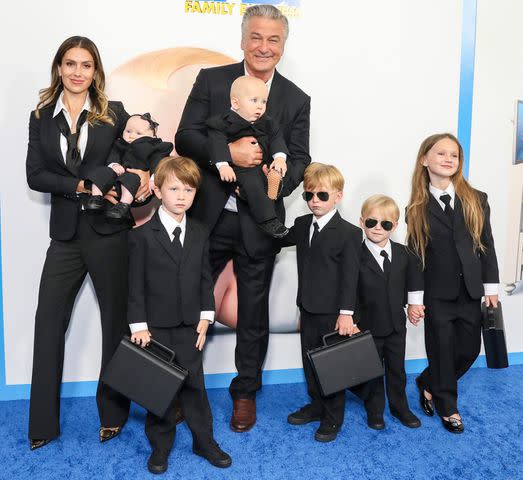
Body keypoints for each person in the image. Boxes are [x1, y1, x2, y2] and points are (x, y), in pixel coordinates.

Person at [175, 4, 310, 432]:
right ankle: (177, 389)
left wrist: (272, 188)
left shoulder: (296, 98)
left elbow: (301, 160)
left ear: (284, 45)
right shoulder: (212, 80)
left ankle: (245, 393)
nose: (263, 47)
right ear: (242, 39)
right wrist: (228, 155)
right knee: (186, 304)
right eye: (256, 36)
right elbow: (185, 136)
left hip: (259, 223)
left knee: (253, 312)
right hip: (207, 217)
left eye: (273, 39)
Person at [25, 36, 150, 450]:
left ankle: (112, 415)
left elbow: (142, 151)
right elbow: (35, 175)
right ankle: (42, 423)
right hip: (64, 236)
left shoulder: (113, 114)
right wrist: (81, 183)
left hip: (109, 234)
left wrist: (136, 181)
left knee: (115, 324)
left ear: (95, 71)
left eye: (86, 65)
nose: (77, 72)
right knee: (47, 325)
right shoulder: (41, 116)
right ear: (58, 68)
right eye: (69, 64)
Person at [128, 156, 232, 474]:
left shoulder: (200, 232)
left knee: (194, 386)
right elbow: (134, 286)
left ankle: (204, 441)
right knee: (160, 389)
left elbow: (205, 278)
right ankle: (160, 446)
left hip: (190, 325)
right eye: (174, 188)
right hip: (155, 327)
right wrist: (139, 326)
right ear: (158, 191)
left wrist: (206, 317)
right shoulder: (142, 236)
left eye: (189, 190)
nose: (182, 196)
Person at [406, 133, 499, 434]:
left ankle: (428, 381)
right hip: (437, 294)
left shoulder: (477, 199)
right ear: (425, 160)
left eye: (454, 155)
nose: (448, 159)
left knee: (469, 350)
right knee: (442, 349)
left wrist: (492, 288)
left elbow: (487, 245)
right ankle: (449, 408)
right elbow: (416, 258)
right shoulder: (416, 210)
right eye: (441, 153)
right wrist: (415, 299)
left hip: (470, 291)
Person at [282, 163, 361, 443]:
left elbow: (350, 278)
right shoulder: (303, 225)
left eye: (322, 196)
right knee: (310, 362)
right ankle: (316, 406)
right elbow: (277, 238)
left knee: (331, 365)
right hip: (308, 307)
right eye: (309, 195)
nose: (315, 201)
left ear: (338, 196)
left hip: (334, 313)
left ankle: (332, 417)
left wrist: (346, 314)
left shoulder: (349, 233)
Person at [355, 194, 420, 430]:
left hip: (395, 326)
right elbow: (349, 291)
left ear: (395, 226)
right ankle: (375, 411)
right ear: (362, 222)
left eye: (385, 224)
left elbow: (414, 281)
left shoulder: (405, 254)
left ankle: (400, 407)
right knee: (371, 372)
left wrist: (414, 304)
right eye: (371, 222)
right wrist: (352, 320)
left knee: (397, 370)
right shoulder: (355, 255)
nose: (377, 228)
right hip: (367, 327)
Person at [206, 75, 289, 238]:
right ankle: (268, 220)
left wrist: (279, 157)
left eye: (264, 102)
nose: (260, 107)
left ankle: (273, 185)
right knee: (252, 183)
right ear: (235, 103)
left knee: (263, 179)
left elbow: (276, 137)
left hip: (262, 166)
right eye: (254, 100)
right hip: (240, 169)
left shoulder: (267, 121)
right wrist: (223, 165)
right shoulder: (221, 122)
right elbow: (217, 142)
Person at [85, 113, 173, 221]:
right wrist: (114, 164)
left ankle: (123, 206)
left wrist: (153, 178)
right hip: (114, 179)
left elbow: (159, 161)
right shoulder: (120, 143)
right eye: (128, 131)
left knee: (131, 178)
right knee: (101, 172)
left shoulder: (154, 147)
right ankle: (96, 198)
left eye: (138, 133)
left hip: (135, 184)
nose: (131, 135)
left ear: (153, 137)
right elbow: (113, 154)